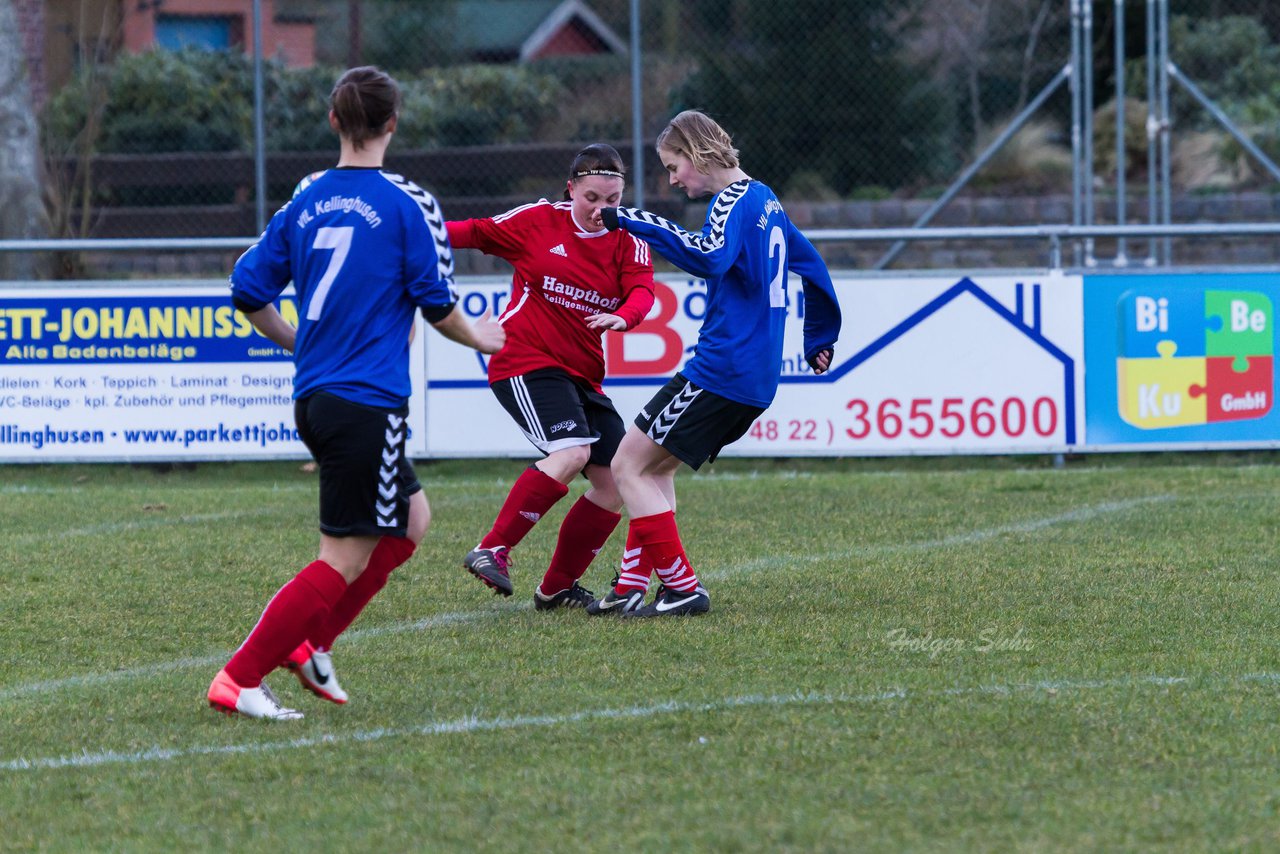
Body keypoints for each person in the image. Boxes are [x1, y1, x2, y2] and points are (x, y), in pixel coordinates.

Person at [207, 66, 505, 720]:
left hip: (318, 397)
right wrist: (483, 339)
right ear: (393, 123)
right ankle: (240, 676)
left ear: (335, 121)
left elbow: (247, 290)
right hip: (366, 402)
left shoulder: (308, 196)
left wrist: (300, 344)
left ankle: (311, 642)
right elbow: (436, 305)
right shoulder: (408, 203)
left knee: (411, 521)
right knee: (340, 557)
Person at [586, 109, 842, 618]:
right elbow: (810, 261)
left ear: (697, 153)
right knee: (655, 469)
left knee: (624, 465)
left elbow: (709, 256)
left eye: (673, 164)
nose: (673, 178)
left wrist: (629, 219)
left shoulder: (734, 202)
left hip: (722, 369)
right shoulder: (766, 197)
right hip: (754, 377)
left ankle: (682, 588)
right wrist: (820, 336)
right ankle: (631, 585)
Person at [448, 144, 656, 609]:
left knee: (617, 482)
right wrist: (405, 238)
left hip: (583, 376)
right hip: (525, 360)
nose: (603, 210)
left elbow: (643, 290)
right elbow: (470, 233)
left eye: (613, 200)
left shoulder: (631, 238)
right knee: (571, 450)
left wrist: (625, 317)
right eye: (592, 198)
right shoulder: (538, 220)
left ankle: (556, 587)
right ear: (571, 189)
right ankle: (491, 548)